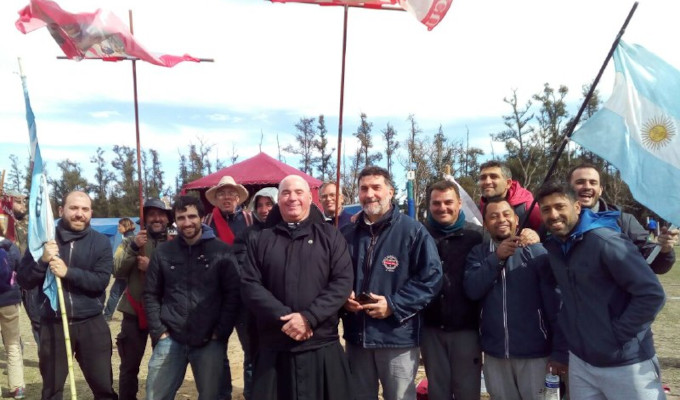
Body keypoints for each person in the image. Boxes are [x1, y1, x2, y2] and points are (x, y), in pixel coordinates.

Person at [537, 180, 666, 399]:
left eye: (560, 206)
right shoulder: (555, 247)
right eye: (546, 209)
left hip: (626, 363)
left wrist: (616, 336)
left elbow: (651, 294)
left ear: (577, 207)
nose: (553, 214)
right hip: (581, 362)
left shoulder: (605, 241)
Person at [241, 175, 354, 400]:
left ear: (310, 199)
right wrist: (286, 319)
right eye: (286, 193)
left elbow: (342, 282)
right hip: (275, 347)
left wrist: (309, 318)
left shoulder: (331, 236)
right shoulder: (260, 239)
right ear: (279, 201)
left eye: (299, 192)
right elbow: (250, 284)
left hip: (320, 345)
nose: (292, 198)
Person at [341, 166, 442, 400]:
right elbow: (336, 275)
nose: (370, 194)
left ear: (390, 192)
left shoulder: (413, 231)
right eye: (364, 188)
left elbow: (431, 279)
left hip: (397, 337)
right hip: (358, 337)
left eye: (376, 187)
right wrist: (342, 298)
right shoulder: (347, 234)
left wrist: (393, 305)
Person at [17, 191, 118, 399]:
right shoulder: (44, 242)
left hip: (91, 323)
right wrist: (42, 260)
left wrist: (67, 273)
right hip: (53, 324)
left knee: (104, 388)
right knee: (52, 390)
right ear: (61, 210)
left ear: (91, 213)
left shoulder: (100, 243)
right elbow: (24, 280)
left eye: (85, 209)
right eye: (74, 208)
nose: (79, 214)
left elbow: (100, 281)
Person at [464, 197, 566, 400]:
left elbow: (557, 305)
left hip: (536, 355)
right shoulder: (478, 254)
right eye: (493, 216)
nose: (501, 220)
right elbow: (472, 289)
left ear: (517, 220)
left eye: (506, 214)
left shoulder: (536, 252)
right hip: (495, 354)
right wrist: (497, 258)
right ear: (485, 224)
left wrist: (560, 351)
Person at [144, 195, 240, 400]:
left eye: (192, 216)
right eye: (181, 218)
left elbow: (233, 294)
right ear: (175, 221)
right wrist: (159, 331)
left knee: (213, 396)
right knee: (155, 396)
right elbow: (151, 293)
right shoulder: (163, 252)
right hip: (170, 338)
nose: (187, 222)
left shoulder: (221, 251)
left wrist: (221, 332)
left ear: (202, 218)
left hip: (209, 340)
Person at [420, 180, 484, 400]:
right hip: (430, 326)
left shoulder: (477, 236)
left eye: (448, 202)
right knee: (437, 391)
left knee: (467, 391)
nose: (442, 208)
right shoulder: (419, 234)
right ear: (429, 205)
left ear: (459, 203)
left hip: (466, 328)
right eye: (436, 203)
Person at [568, 163, 677, 274]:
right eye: (580, 182)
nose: (587, 187)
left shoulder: (623, 221)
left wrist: (664, 251)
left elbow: (652, 262)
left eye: (593, 182)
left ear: (600, 190)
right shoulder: (555, 221)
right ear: (568, 188)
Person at [113, 200, 171, 400]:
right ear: (144, 218)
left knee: (164, 365)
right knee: (129, 367)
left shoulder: (174, 244)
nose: (157, 218)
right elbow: (117, 270)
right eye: (152, 214)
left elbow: (181, 277)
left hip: (163, 314)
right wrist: (134, 247)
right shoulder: (129, 242)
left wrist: (152, 266)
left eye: (161, 214)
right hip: (133, 311)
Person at [204, 175, 254, 399]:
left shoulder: (250, 220)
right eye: (222, 193)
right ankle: (223, 393)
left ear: (238, 197)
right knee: (217, 350)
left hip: (244, 295)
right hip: (216, 297)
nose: (227, 197)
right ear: (216, 198)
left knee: (251, 349)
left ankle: (252, 393)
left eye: (231, 193)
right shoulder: (206, 221)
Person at [478, 161, 542, 230]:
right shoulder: (477, 210)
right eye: (483, 178)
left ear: (508, 183)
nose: (487, 182)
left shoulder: (529, 209)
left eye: (493, 177)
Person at [0, 236, 25, 398]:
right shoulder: (11, 247)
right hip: (9, 299)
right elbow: (20, 270)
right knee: (13, 344)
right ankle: (17, 388)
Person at [103, 218, 136, 322]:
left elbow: (125, 257)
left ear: (125, 226)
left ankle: (107, 315)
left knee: (114, 294)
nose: (118, 228)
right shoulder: (130, 238)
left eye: (119, 226)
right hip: (127, 272)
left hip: (124, 272)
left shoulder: (128, 240)